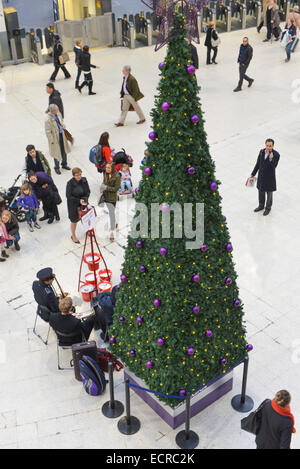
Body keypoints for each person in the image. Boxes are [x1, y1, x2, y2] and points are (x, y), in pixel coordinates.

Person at [250, 138, 280, 216]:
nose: (268, 147)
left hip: (270, 178)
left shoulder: (276, 154)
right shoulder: (261, 152)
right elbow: (257, 164)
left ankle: (268, 208)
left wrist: (271, 159)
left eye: (270, 146)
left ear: (273, 146)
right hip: (261, 177)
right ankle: (261, 205)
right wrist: (253, 173)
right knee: (261, 192)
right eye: (267, 145)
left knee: (269, 194)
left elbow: (275, 165)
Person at [66, 167, 90, 244]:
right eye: (77, 175)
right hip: (73, 205)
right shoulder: (70, 183)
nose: (79, 176)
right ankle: (73, 235)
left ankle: (87, 230)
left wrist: (85, 199)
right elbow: (68, 196)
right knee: (74, 221)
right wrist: (79, 201)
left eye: (80, 174)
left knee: (85, 218)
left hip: (83, 202)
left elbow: (88, 191)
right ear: (73, 176)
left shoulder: (84, 180)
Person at [45, 103, 71, 175]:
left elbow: (61, 121)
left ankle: (64, 164)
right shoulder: (48, 120)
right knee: (57, 152)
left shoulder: (58, 113)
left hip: (61, 135)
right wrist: (52, 141)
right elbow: (48, 132)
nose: (58, 110)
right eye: (56, 110)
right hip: (55, 138)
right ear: (52, 111)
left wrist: (63, 125)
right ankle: (57, 167)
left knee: (64, 150)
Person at [100, 162, 121, 241]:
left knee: (111, 214)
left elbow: (116, 189)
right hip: (105, 197)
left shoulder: (117, 176)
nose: (107, 169)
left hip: (112, 198)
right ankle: (115, 223)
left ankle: (112, 232)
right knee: (111, 212)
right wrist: (102, 186)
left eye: (109, 168)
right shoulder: (105, 174)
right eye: (106, 167)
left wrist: (106, 187)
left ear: (112, 168)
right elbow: (104, 182)